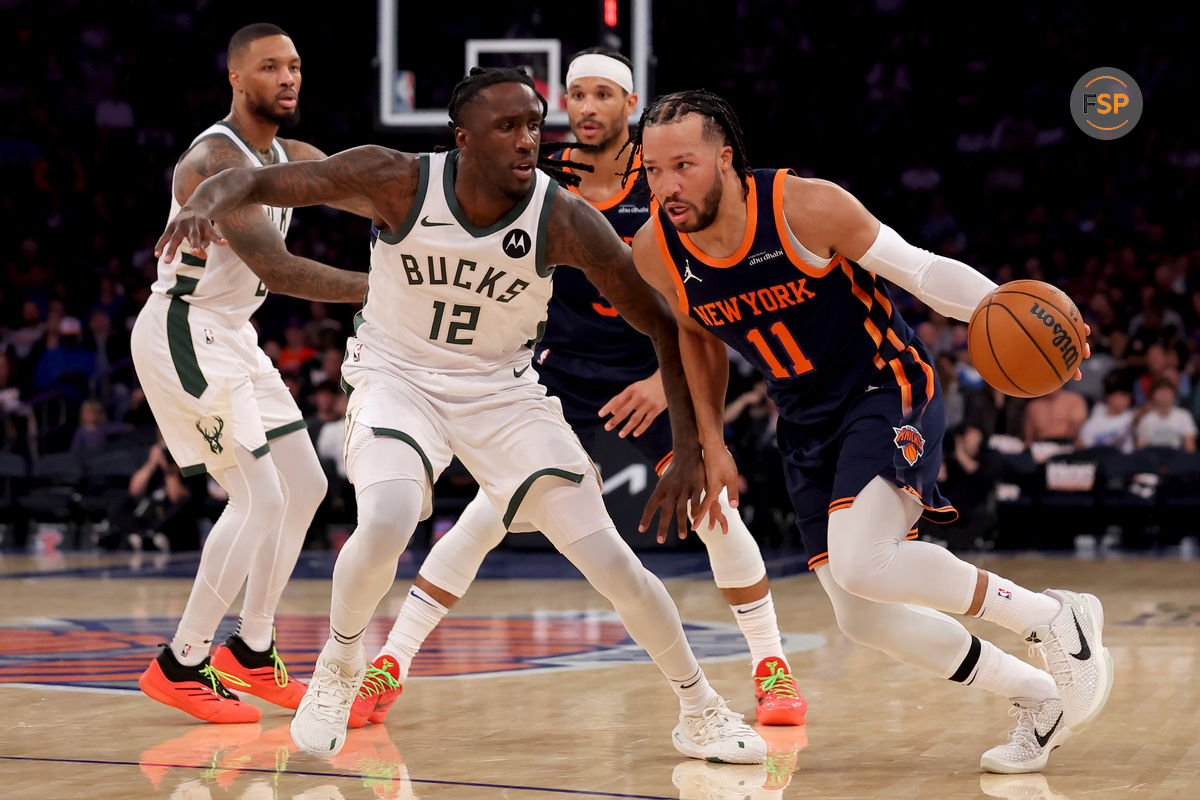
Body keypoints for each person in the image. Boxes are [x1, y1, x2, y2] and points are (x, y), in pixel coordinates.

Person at [156, 67, 767, 764]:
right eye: (508, 127)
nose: (528, 140)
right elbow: (270, 183)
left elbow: (661, 322)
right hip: (398, 379)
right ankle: (341, 664)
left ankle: (700, 710)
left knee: (615, 565)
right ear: (463, 139)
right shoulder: (396, 179)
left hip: (502, 394)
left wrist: (690, 445)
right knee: (387, 517)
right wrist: (208, 190)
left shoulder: (561, 217)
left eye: (535, 125)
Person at [625, 89, 1113, 773]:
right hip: (801, 419)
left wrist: (1011, 308)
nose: (667, 185)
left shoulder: (804, 207)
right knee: (861, 614)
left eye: (684, 165)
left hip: (884, 386)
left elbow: (918, 270)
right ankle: (1038, 695)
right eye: (652, 170)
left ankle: (1050, 616)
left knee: (864, 560)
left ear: (726, 158)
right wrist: (711, 443)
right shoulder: (656, 247)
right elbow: (696, 340)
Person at [350, 48, 803, 733]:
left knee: (713, 502)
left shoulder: (662, 182)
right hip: (551, 372)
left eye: (600, 94)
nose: (585, 108)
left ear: (630, 104)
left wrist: (661, 379)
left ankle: (771, 666)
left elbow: (703, 296)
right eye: (576, 95)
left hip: (642, 372)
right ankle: (391, 663)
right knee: (487, 514)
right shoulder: (534, 171)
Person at [132, 23, 371, 724]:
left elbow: (369, 191)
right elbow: (280, 268)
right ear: (237, 78)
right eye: (271, 67)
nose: (288, 78)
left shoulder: (292, 155)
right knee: (259, 497)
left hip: (234, 334)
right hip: (184, 327)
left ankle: (251, 652)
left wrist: (446, 203)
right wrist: (388, 288)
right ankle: (181, 661)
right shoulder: (213, 156)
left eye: (295, 65)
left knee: (306, 484)